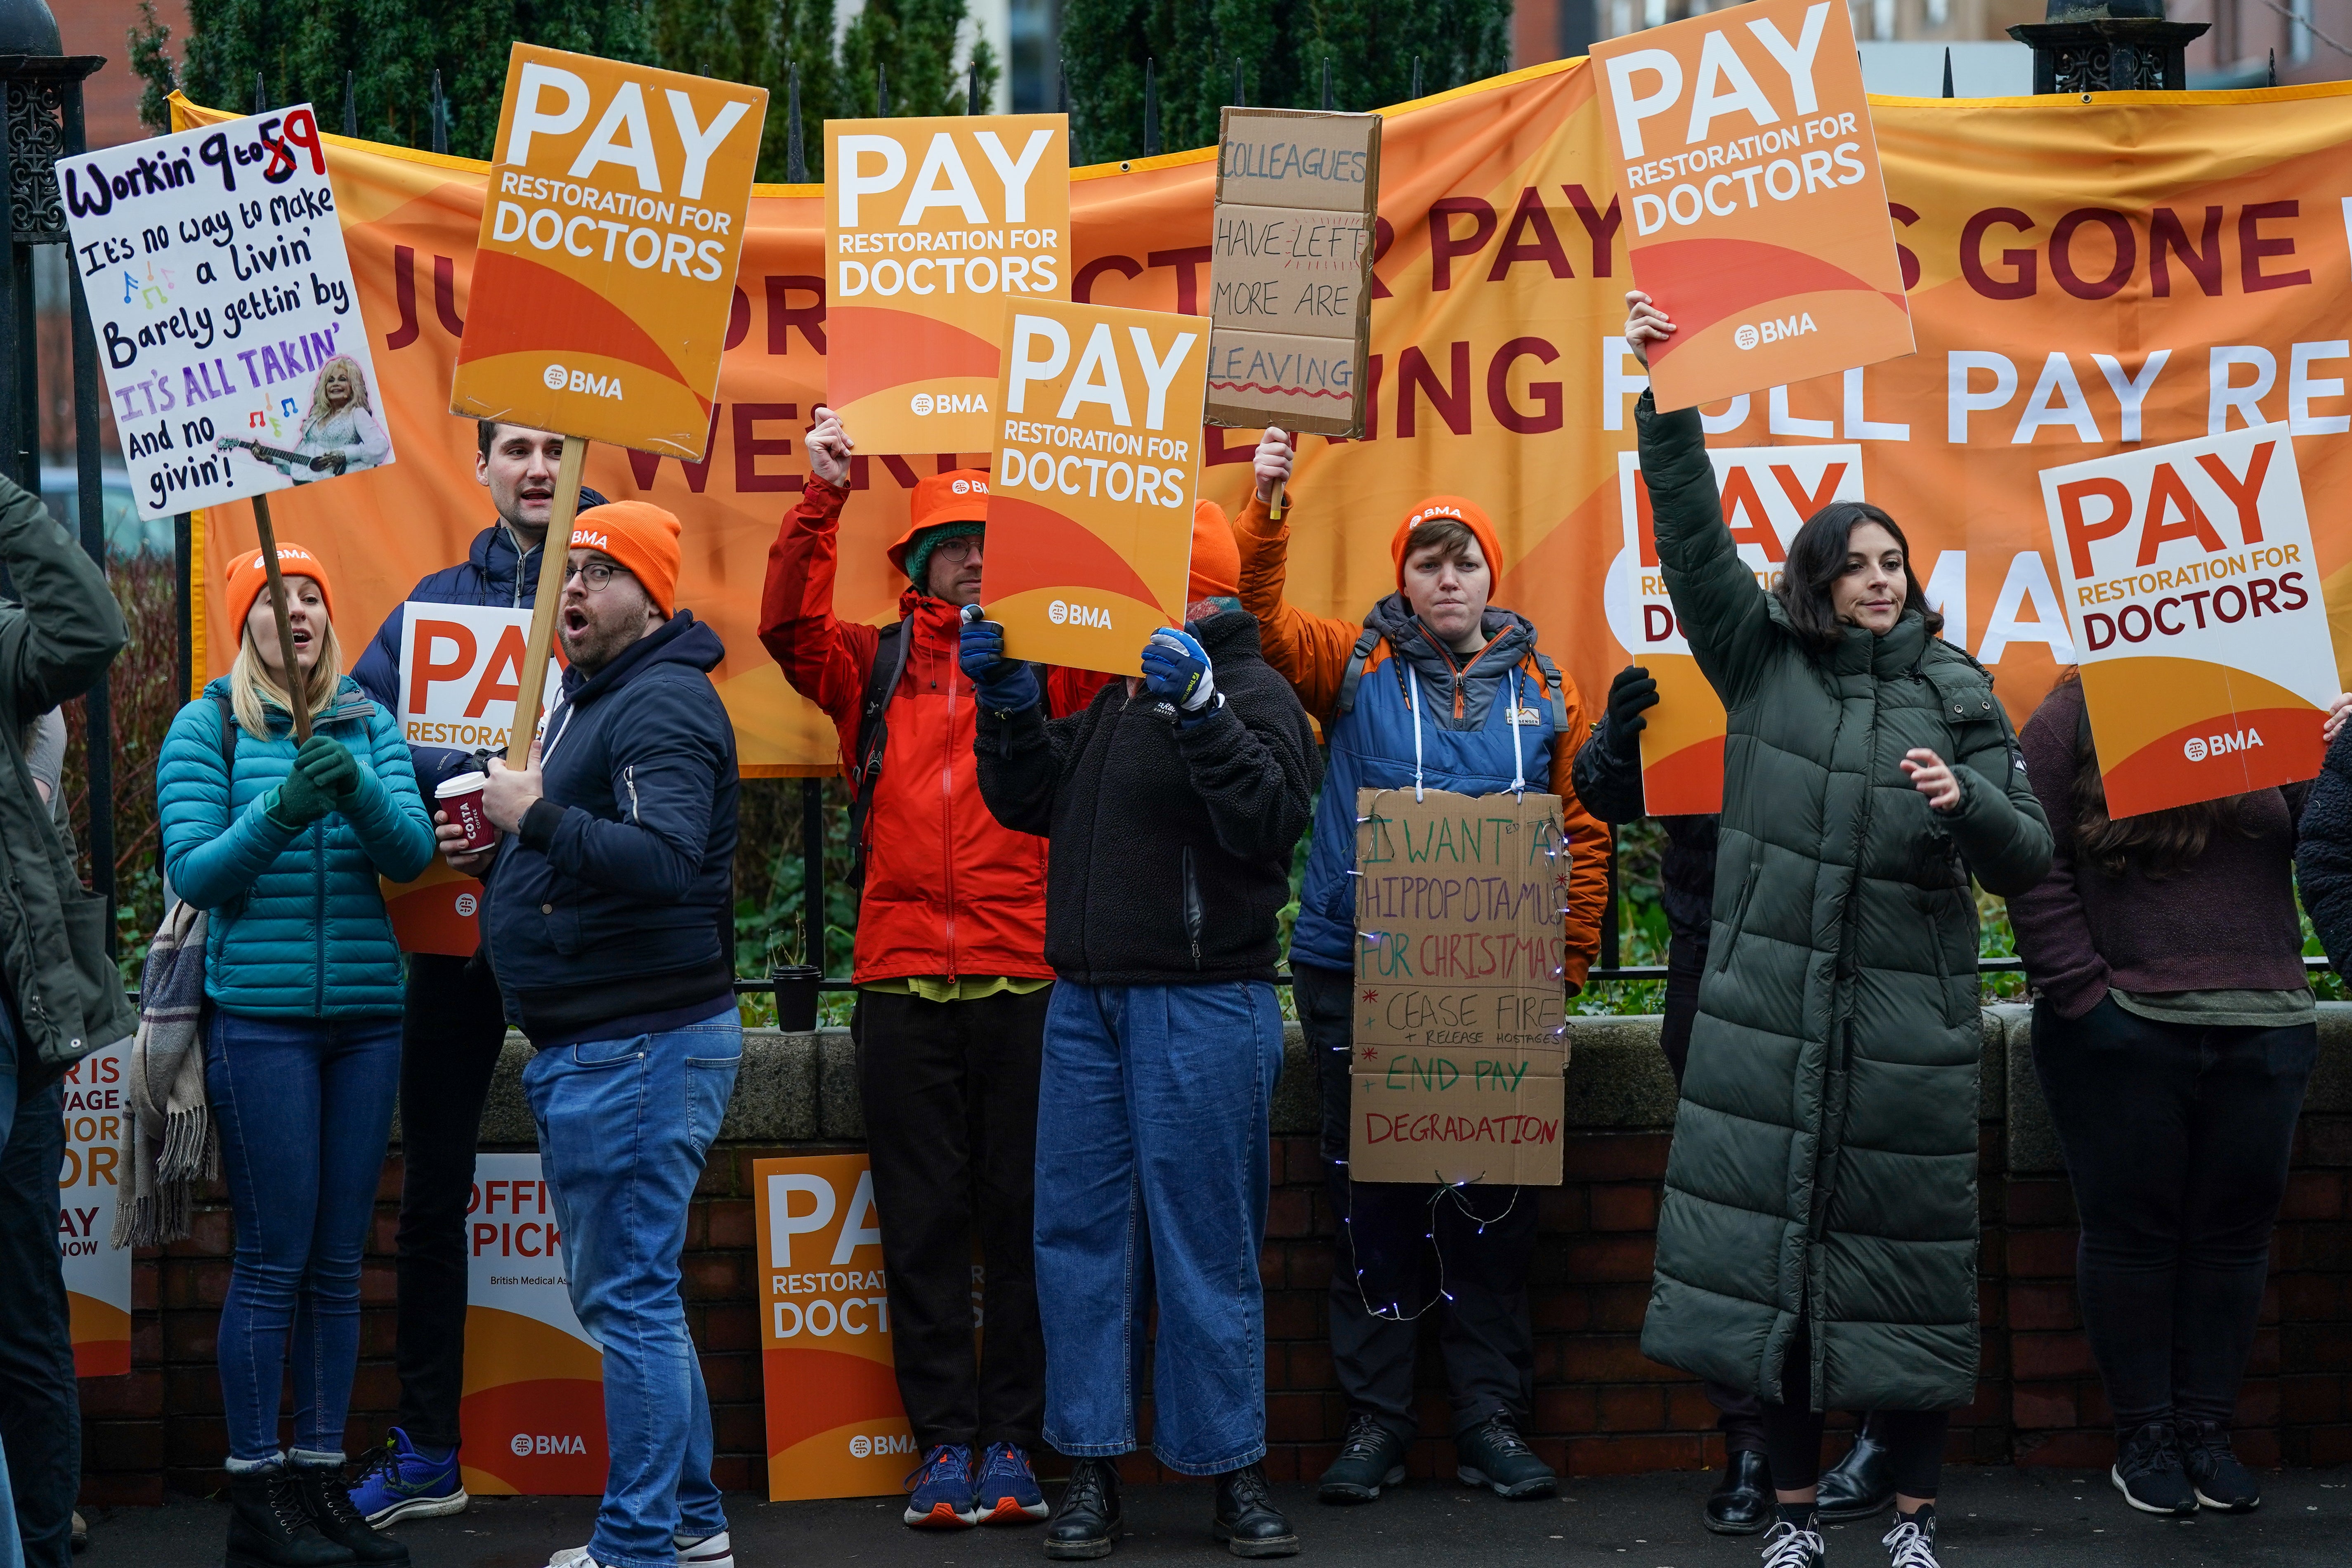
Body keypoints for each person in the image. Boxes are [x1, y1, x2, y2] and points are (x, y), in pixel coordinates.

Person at [1623, 290, 2053, 1568]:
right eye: (1855, 563)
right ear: (1814, 579)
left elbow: (2027, 850)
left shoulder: (1956, 683)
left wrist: (1964, 795)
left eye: (1892, 562)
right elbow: (1695, 543)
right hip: (1770, 1033)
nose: (1879, 581)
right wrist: (1664, 396)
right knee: (1790, 1293)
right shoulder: (1762, 663)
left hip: (1901, 1038)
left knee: (1904, 1284)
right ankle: (1798, 1524)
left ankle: (1914, 1526)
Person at [1230, 432, 1605, 1505]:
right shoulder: (1351, 664)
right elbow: (1254, 627)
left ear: (1491, 575)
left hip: (1496, 993)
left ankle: (1488, 1420)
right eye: (1427, 559)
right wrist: (1268, 502)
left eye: (1464, 559)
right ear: (1403, 577)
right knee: (1374, 1204)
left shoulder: (1544, 688)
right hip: (1358, 972)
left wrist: (1563, 968)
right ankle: (1378, 1425)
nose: (1447, 575)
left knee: (1491, 1206)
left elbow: (1580, 833)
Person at [757, 409, 1102, 1529]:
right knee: (918, 1227)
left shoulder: (1052, 665)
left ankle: (1011, 1442)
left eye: (990, 542)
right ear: (913, 560)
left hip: (1025, 975)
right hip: (901, 982)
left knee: (1019, 1224)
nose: (972, 559)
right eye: (952, 543)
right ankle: (942, 1448)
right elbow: (783, 627)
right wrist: (821, 496)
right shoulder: (876, 658)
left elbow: (1126, 634)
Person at [965, 523, 1322, 1561]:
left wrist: (1203, 707)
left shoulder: (1251, 692)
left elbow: (1267, 816)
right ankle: (1091, 1466)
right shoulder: (1116, 700)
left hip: (1202, 1004)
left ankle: (1233, 1470)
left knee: (1202, 1246)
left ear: (1187, 590)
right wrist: (1011, 706)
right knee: (1078, 1242)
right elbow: (1024, 796)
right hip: (1088, 1004)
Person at [441, 502, 741, 1568]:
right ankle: (691, 1521)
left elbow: (663, 861)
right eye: (565, 573)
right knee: (639, 1295)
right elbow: (583, 847)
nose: (571, 592)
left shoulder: (659, 703)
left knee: (630, 1299)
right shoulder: (592, 698)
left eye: (600, 575)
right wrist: (499, 845)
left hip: (638, 1046)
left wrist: (535, 821)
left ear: (651, 599)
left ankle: (637, 1545)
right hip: (609, 1042)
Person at [345, 423, 607, 1526]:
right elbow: (355, 730)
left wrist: (535, 805)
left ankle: (651, 1471)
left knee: (613, 1194)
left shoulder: (610, 598)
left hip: (570, 932)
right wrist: (453, 787)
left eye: (557, 449)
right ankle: (429, 1452)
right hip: (451, 940)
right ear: (483, 469)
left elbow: (658, 741)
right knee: (431, 1197)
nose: (539, 468)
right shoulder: (433, 602)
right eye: (518, 452)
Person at [157, 543, 435, 1568]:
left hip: (366, 1019)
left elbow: (410, 852)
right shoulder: (208, 725)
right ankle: (256, 1491)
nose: (299, 610)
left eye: (314, 594)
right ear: (247, 622)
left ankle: (321, 1479)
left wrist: (355, 786)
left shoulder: (368, 719)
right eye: (277, 597)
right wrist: (281, 808)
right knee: (273, 1260)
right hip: (260, 1023)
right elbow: (197, 870)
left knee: (336, 1261)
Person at [1573, 669, 1898, 1536]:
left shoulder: (1864, 666)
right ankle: (1753, 1445)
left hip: (1837, 960)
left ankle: (1869, 1435)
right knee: (1736, 1223)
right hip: (1714, 958)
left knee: (1848, 1208)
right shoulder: (1689, 666)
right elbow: (1602, 797)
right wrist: (1617, 734)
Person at [2016, 673, 2347, 1517]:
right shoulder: (2075, 709)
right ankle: (2147, 1439)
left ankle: (2206, 1430)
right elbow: (2030, 854)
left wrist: (2342, 755)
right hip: (2122, 1024)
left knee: (2234, 1242)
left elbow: (2326, 837)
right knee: (2133, 1240)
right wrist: (2081, 994)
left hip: (2263, 1020)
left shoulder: (2273, 690)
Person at [0, 472, 135, 1568]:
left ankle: (40, 1544)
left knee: (24, 1312)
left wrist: (4, 507)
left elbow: (89, 632)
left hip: (12, 1027)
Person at [277, 356, 392, 482]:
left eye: (342, 379)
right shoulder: (316, 418)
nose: (335, 384)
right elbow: (300, 463)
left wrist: (345, 455)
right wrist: (272, 459)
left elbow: (380, 446)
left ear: (353, 386)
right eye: (331, 381)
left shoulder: (357, 413)